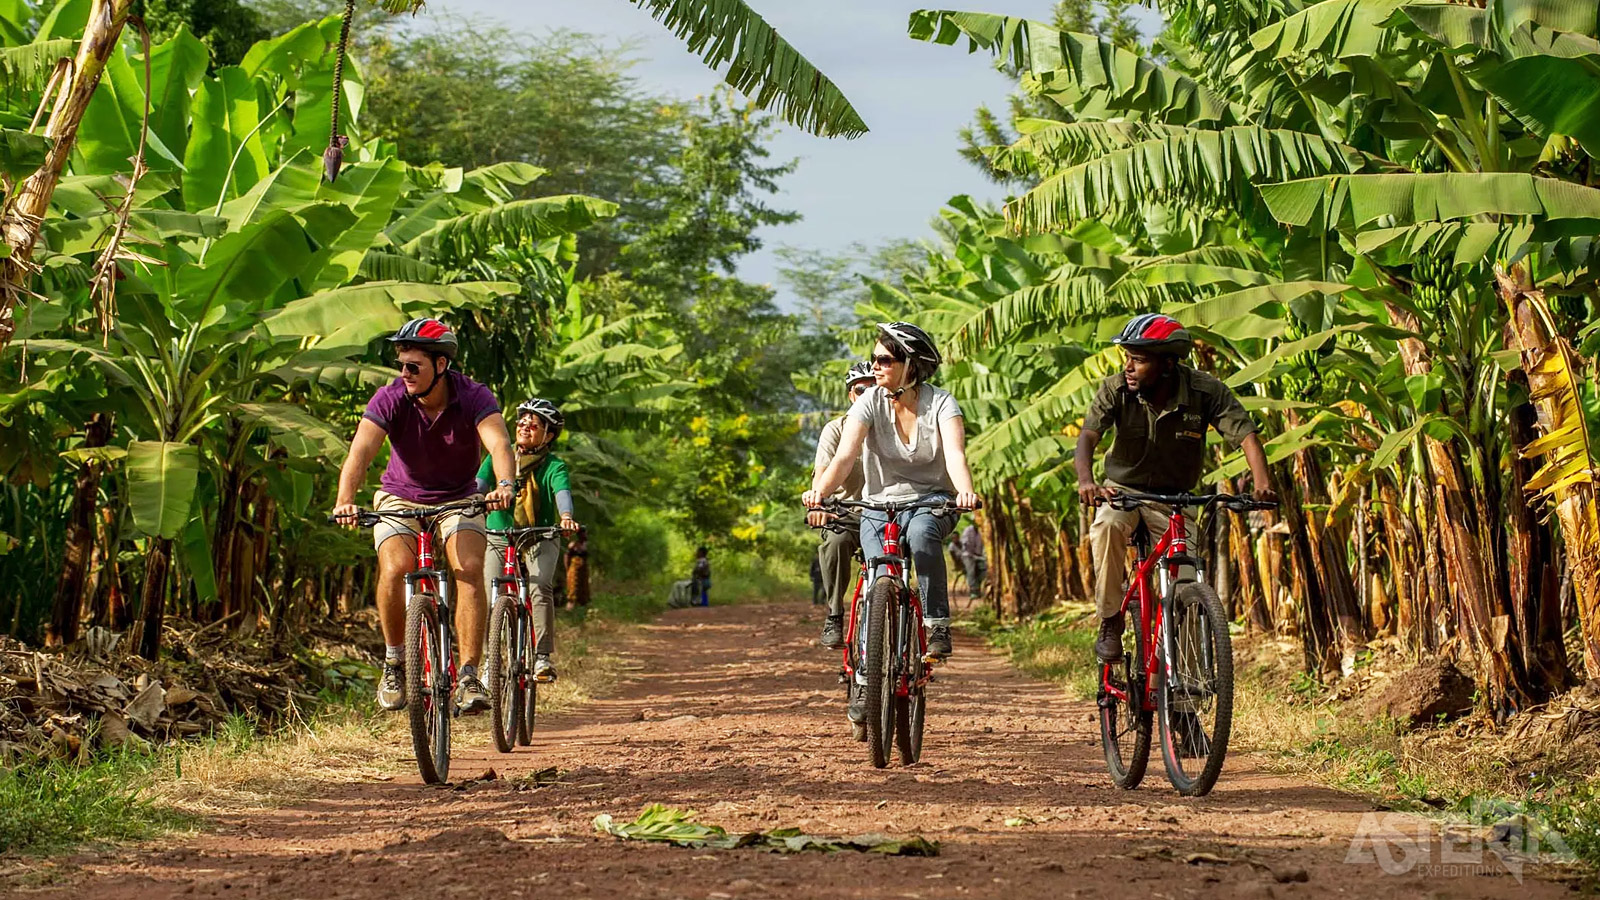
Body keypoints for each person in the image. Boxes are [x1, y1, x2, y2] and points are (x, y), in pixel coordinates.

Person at [332, 317, 515, 713]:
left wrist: (504, 485)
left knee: (467, 568)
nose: (405, 374)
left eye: (414, 366)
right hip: (400, 497)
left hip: (459, 497)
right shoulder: (390, 397)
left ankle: (468, 675)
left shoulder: (473, 396)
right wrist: (344, 499)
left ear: (441, 366)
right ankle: (395, 661)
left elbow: (499, 443)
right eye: (402, 366)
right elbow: (360, 452)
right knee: (396, 568)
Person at [1076, 313, 1277, 663]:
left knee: (1184, 588)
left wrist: (1262, 483)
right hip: (1122, 493)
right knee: (1106, 527)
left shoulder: (1205, 390)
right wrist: (1086, 482)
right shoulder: (1116, 389)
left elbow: (1245, 435)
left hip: (1175, 500)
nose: (1128, 367)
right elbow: (1088, 437)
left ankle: (1183, 706)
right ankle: (1110, 619)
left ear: (1168, 363)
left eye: (1138, 360)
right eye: (1127, 358)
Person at [804, 322, 980, 664]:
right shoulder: (869, 401)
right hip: (877, 505)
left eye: (884, 360)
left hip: (931, 502)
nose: (874, 366)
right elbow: (844, 456)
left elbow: (955, 456)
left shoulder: (942, 404)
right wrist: (820, 493)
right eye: (874, 359)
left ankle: (937, 625)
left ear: (910, 365)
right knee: (875, 575)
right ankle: (868, 668)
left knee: (921, 536)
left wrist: (965, 493)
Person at [478, 398, 579, 682]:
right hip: (499, 534)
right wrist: (474, 502)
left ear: (548, 435)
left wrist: (567, 516)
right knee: (488, 593)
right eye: (522, 422)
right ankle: (490, 662)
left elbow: (562, 492)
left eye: (533, 425)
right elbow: (480, 484)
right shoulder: (500, 456)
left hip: (540, 535)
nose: (525, 427)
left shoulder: (554, 466)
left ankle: (542, 657)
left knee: (540, 586)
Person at [809, 361, 876, 648]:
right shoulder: (836, 430)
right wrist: (818, 504)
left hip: (889, 512)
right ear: (852, 395)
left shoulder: (896, 425)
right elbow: (822, 475)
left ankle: (920, 619)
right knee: (835, 544)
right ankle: (835, 614)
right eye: (862, 390)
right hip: (847, 513)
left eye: (875, 390)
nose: (868, 395)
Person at [959, 518, 986, 600]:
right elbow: (965, 544)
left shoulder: (982, 531)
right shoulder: (968, 530)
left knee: (984, 569)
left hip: (978, 555)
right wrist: (972, 553)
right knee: (971, 571)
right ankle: (973, 591)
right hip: (968, 555)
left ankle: (978, 585)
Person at [566, 526, 591, 608]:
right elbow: (567, 556)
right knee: (573, 586)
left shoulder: (586, 545)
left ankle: (583, 605)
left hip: (583, 569)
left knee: (584, 587)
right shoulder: (573, 545)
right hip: (574, 569)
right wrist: (568, 568)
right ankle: (571, 605)